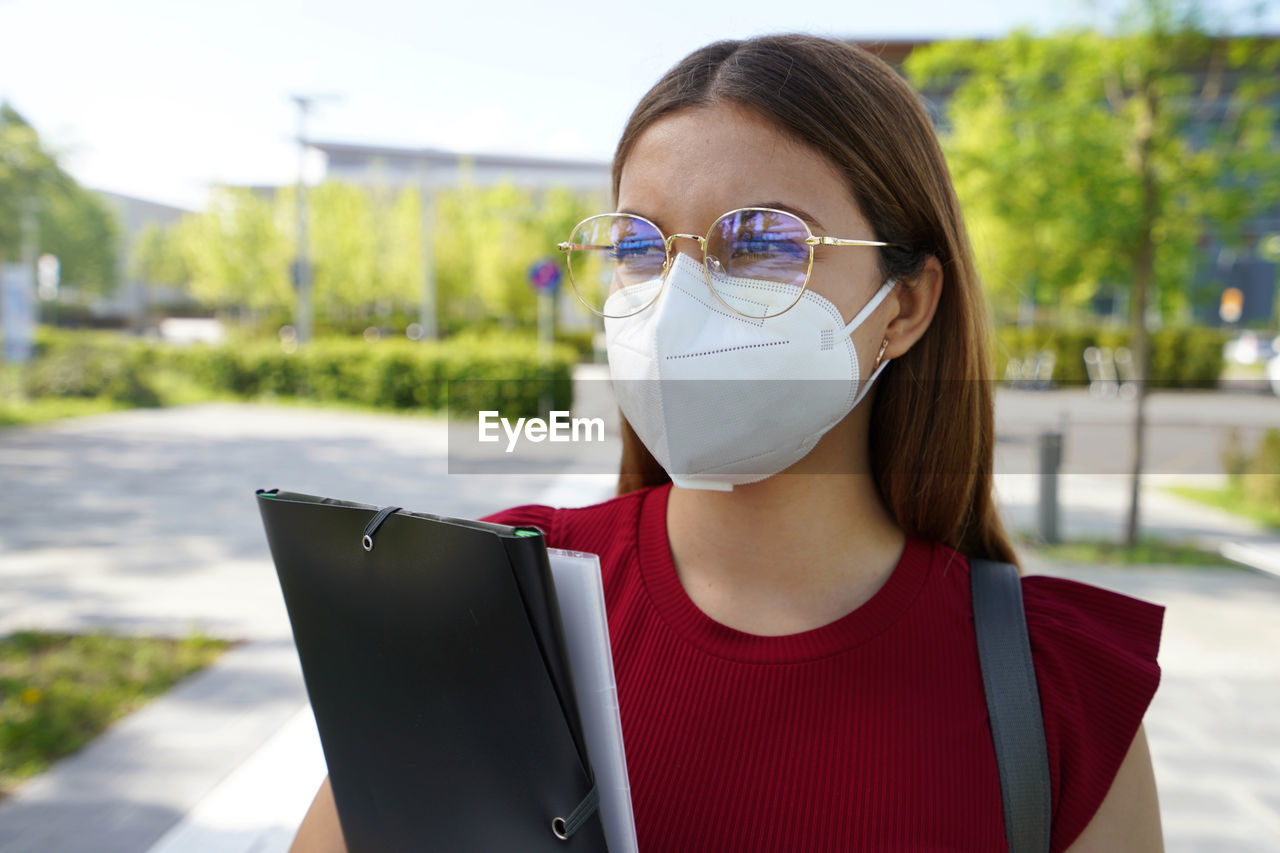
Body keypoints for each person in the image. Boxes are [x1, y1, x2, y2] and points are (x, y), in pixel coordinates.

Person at [290, 34, 1164, 852]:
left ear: (905, 305)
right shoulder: (490, 601)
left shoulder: (1060, 692)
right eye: (638, 244)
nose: (676, 300)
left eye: (759, 242)